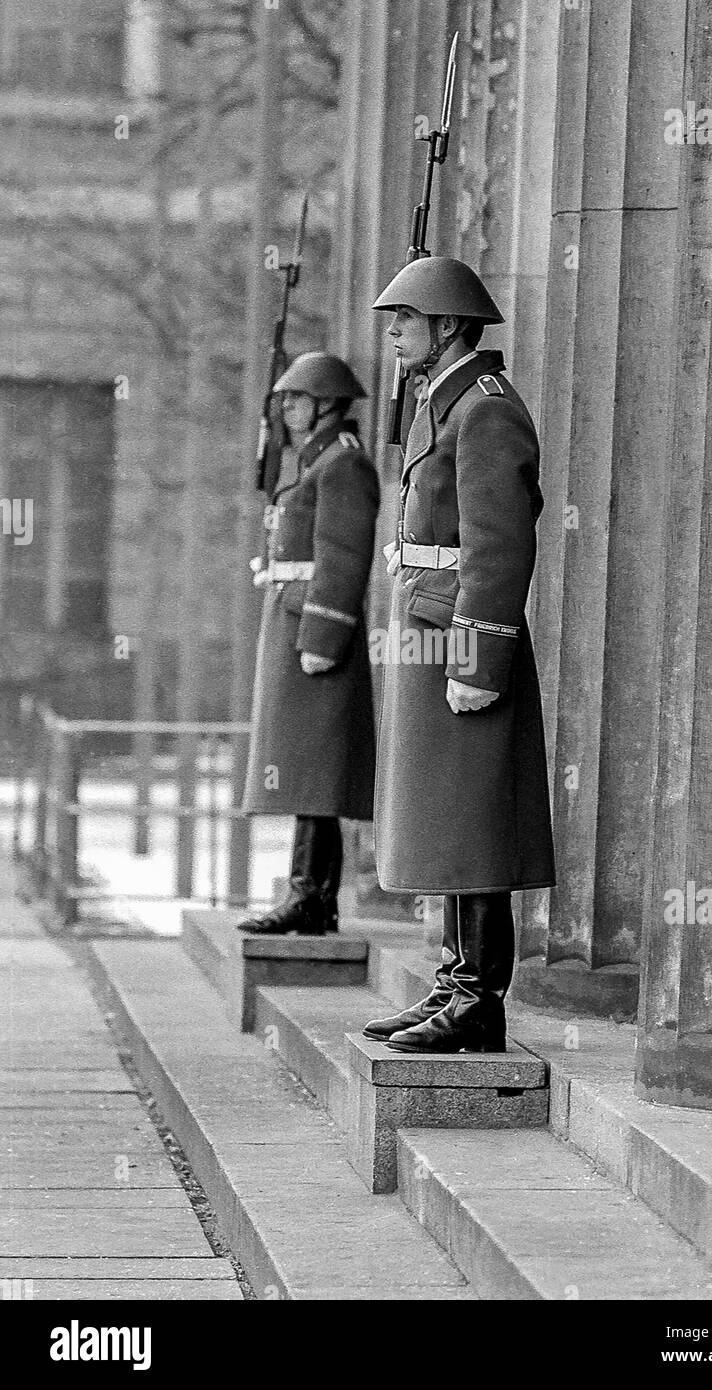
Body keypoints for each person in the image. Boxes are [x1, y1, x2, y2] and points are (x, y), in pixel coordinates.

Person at [364, 256, 556, 1052]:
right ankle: (454, 981)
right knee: (448, 819)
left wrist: (477, 661)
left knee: (474, 822)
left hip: (458, 641)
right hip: (428, 630)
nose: (395, 333)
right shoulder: (443, 405)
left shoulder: (485, 410)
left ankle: (479, 1000)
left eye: (405, 319)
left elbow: (499, 548)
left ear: (446, 325)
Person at [238, 352, 379, 936]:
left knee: (315, 772)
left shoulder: (342, 465)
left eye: (295, 399)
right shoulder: (313, 463)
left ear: (326, 403)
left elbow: (344, 558)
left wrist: (322, 633)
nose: (286, 409)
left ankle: (311, 895)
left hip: (314, 633)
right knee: (304, 771)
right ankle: (311, 896)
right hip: (293, 624)